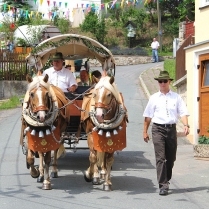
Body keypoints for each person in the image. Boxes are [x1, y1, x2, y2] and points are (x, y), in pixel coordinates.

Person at [143, 70, 190, 196]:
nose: (162, 83)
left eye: (165, 81)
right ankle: (163, 185)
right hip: (158, 129)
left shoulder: (176, 97)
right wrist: (145, 132)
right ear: (158, 83)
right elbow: (147, 116)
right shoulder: (153, 98)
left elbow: (183, 112)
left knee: (171, 158)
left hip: (171, 129)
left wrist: (185, 125)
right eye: (160, 81)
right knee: (160, 158)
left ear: (169, 82)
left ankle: (166, 178)